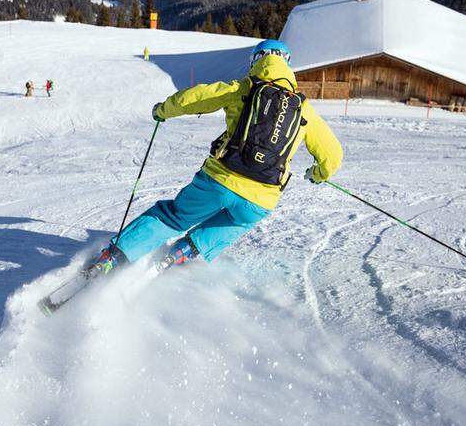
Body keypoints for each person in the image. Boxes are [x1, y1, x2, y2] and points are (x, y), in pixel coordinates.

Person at [86, 39, 342, 276]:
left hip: (220, 179)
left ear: (256, 61)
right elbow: (333, 155)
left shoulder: (243, 89)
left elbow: (195, 97)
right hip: (261, 198)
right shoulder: (304, 109)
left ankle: (112, 258)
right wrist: (317, 175)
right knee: (236, 221)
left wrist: (164, 110)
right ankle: (182, 253)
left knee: (174, 216)